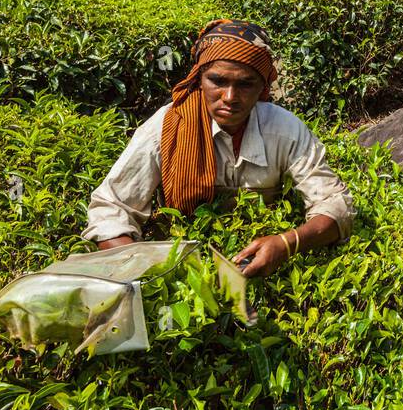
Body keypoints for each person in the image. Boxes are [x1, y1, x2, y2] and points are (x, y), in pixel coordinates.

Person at [81, 19, 355, 277]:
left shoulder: (285, 130)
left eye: (245, 84)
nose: (230, 98)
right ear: (200, 78)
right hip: (182, 262)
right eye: (218, 81)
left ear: (262, 86)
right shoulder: (166, 127)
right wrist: (146, 272)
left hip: (260, 268)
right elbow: (111, 209)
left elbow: (336, 206)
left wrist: (286, 243)